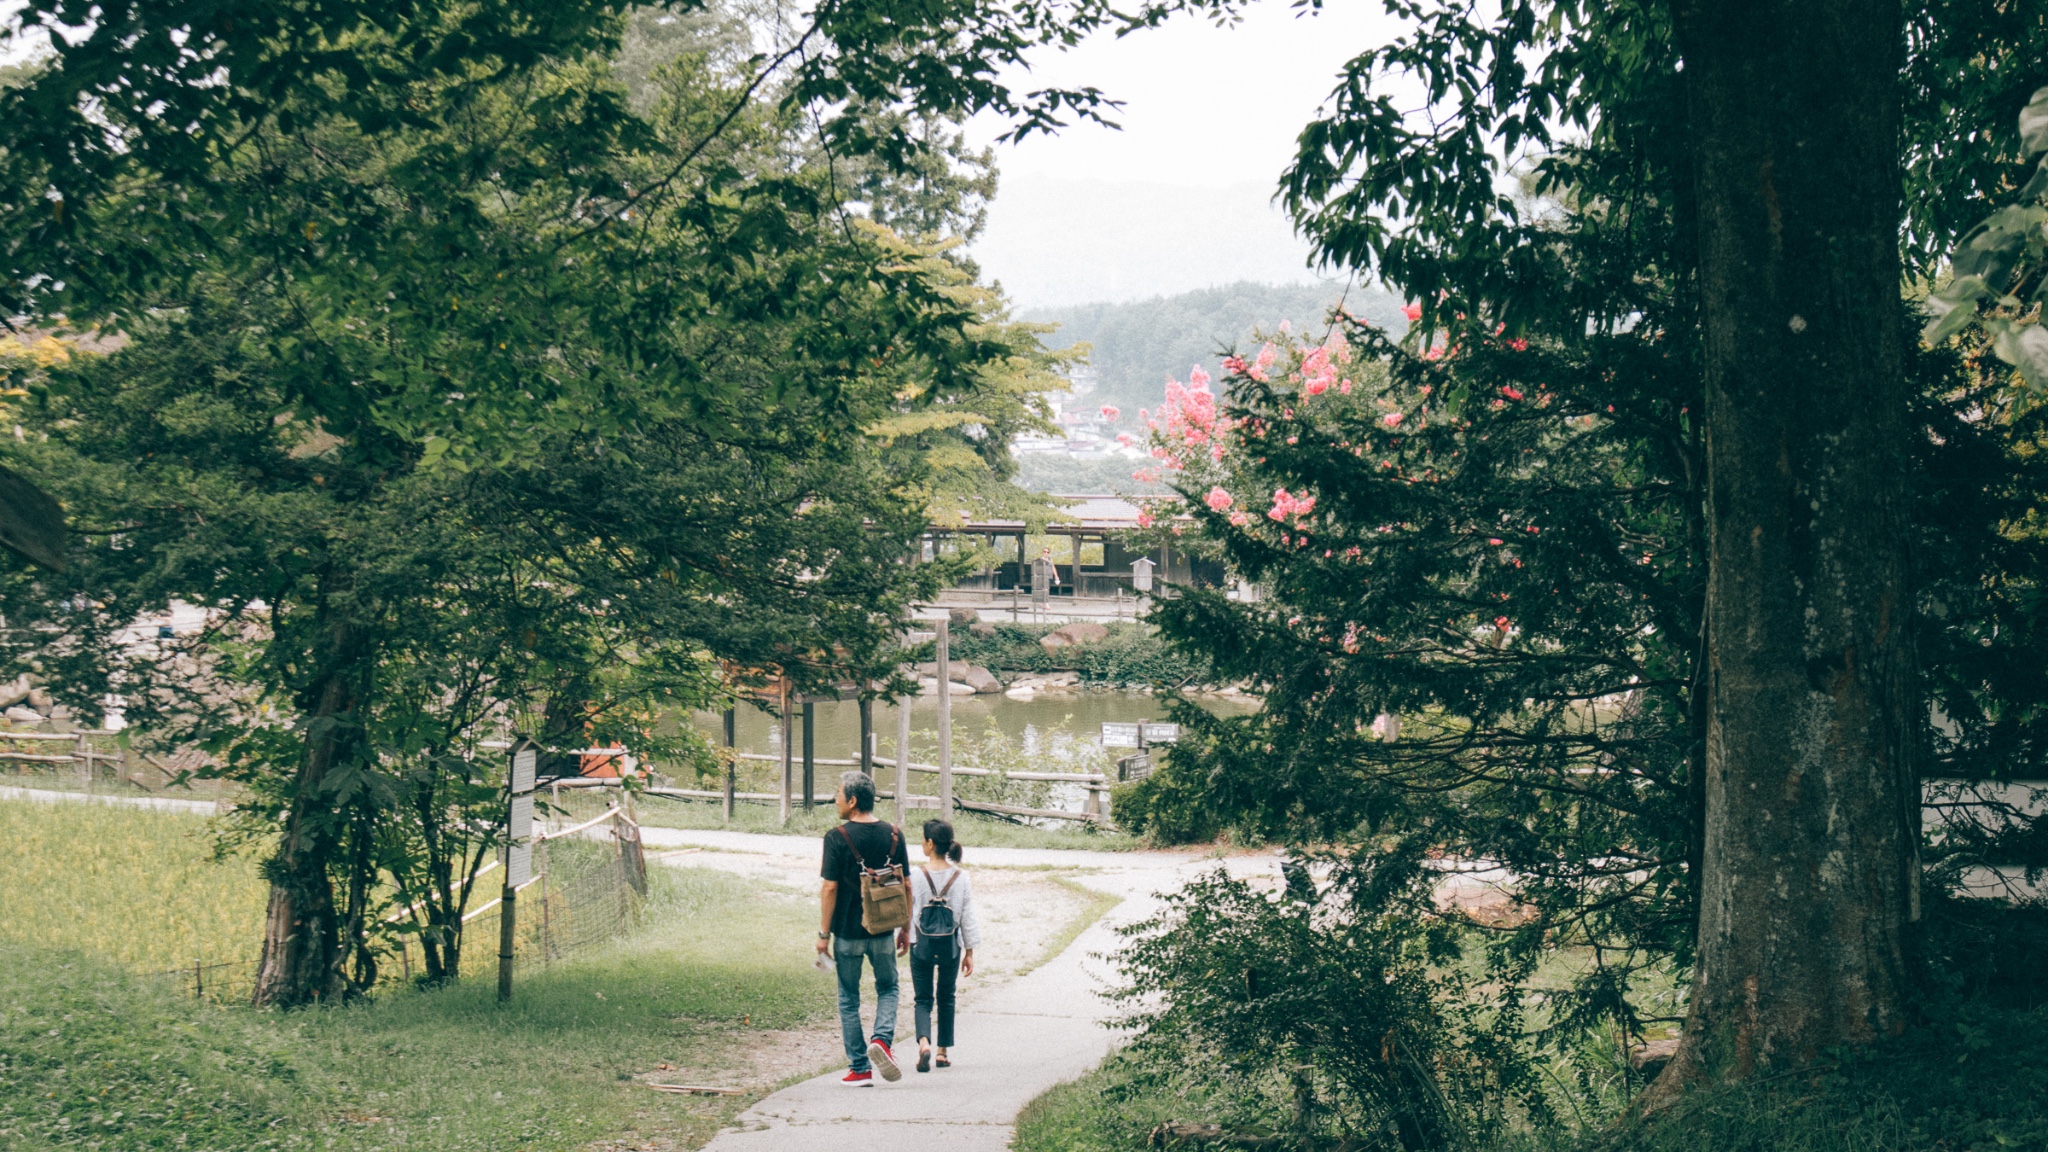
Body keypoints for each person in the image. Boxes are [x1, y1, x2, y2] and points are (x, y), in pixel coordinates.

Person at [818, 770, 911, 1086]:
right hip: (883, 931)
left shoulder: (836, 837)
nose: (835, 799)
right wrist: (906, 928)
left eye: (839, 794)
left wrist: (822, 936)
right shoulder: (894, 835)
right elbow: (907, 886)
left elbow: (829, 889)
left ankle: (860, 1067)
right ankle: (882, 1041)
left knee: (848, 997)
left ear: (853, 800)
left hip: (847, 934)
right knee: (888, 987)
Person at [907, 819, 980, 1072]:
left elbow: (909, 910)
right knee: (946, 997)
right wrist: (969, 952)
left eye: (922, 839)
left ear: (929, 843)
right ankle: (942, 1052)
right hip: (951, 945)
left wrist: (903, 936)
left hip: (921, 944)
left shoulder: (915, 875)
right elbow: (967, 916)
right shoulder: (961, 877)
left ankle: (924, 1043)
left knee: (923, 998)